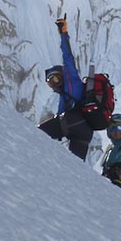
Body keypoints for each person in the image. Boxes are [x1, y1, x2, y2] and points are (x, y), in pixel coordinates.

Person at [38, 14, 93, 160]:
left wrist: (63, 33)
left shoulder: (71, 81)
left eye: (56, 78)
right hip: (85, 133)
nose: (55, 83)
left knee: (36, 135)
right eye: (51, 82)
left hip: (74, 123)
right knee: (75, 166)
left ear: (63, 75)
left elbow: (68, 56)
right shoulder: (64, 97)